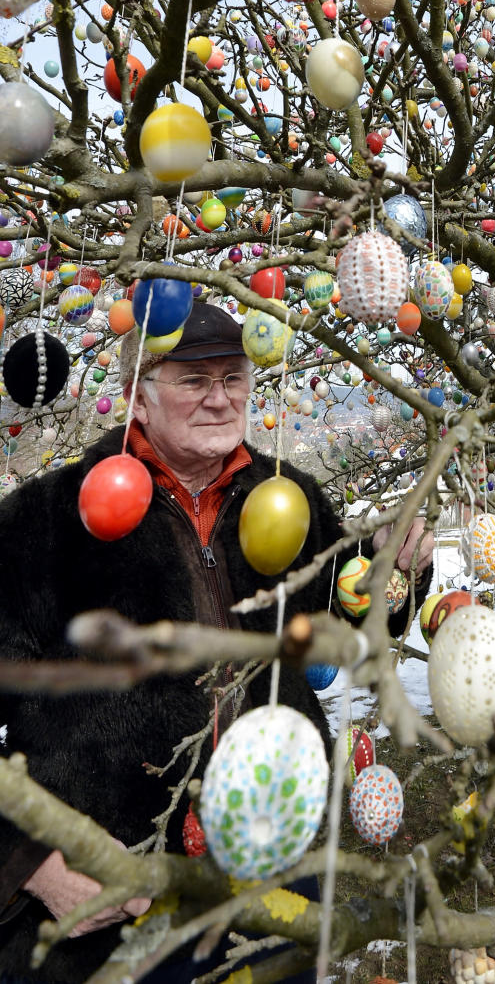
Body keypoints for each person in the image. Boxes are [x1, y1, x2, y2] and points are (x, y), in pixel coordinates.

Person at [0, 302, 434, 984]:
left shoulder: (287, 500)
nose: (219, 398)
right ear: (138, 394)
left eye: (233, 378)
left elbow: (346, 614)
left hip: (269, 877)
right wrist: (32, 862)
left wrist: (395, 566)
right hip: (110, 905)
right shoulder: (48, 520)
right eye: (193, 379)